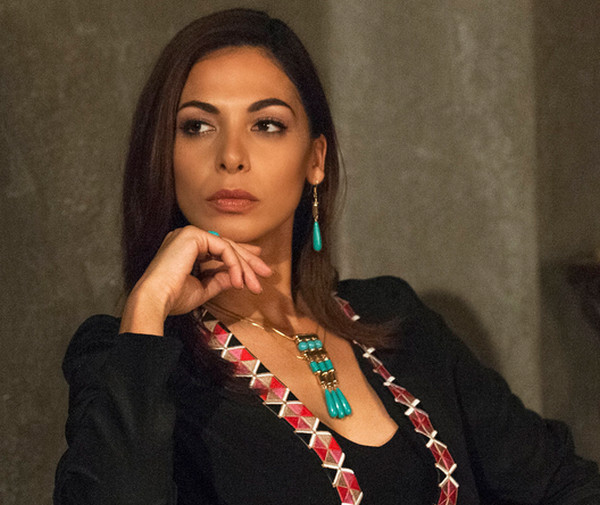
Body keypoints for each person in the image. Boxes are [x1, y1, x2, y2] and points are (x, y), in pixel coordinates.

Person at [53, 8, 600, 505]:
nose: (231, 156)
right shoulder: (127, 359)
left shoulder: (395, 317)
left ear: (315, 158)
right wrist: (147, 305)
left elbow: (563, 484)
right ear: (164, 155)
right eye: (197, 126)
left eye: (266, 125)